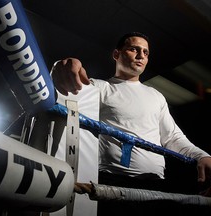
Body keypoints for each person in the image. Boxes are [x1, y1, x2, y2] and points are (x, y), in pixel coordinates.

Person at [50, 32, 211, 213]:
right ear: (116, 54)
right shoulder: (99, 87)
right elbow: (64, 91)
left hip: (156, 184)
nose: (141, 55)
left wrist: (202, 155)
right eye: (134, 49)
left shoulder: (156, 96)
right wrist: (62, 67)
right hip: (111, 182)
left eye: (146, 52)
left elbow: (172, 137)